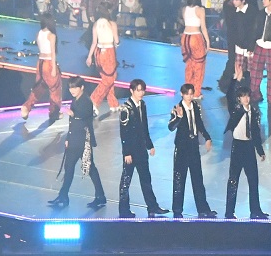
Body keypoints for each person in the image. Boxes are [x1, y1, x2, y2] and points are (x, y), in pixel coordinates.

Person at [49, 77, 107, 209]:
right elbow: (73, 123)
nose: (72, 90)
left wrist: (73, 114)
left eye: (75, 87)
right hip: (74, 140)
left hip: (83, 141)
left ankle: (100, 196)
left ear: (82, 88)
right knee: (69, 168)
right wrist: (68, 138)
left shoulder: (86, 101)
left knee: (90, 168)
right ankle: (63, 195)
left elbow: (85, 117)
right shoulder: (75, 100)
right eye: (70, 88)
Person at [118, 79, 166, 217]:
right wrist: (126, 152)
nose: (141, 93)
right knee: (126, 181)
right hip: (131, 152)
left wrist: (149, 145)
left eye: (142, 90)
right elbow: (124, 133)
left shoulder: (142, 105)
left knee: (146, 179)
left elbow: (144, 127)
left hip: (141, 150)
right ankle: (124, 210)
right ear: (131, 91)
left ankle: (152, 207)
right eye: (138, 90)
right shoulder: (126, 109)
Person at [167, 83, 216, 218]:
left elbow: (199, 123)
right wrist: (179, 117)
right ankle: (177, 210)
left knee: (198, 179)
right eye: (187, 94)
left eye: (191, 94)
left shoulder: (195, 106)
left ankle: (203, 209)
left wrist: (207, 137)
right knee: (179, 180)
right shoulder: (177, 108)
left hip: (193, 147)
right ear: (182, 94)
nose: (189, 96)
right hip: (182, 148)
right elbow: (170, 127)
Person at [224, 84, 268, 219]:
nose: (246, 99)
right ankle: (229, 212)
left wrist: (260, 150)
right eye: (243, 96)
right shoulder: (236, 110)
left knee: (253, 180)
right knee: (233, 180)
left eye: (247, 96)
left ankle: (255, 211)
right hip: (238, 147)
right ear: (239, 98)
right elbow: (229, 96)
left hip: (249, 147)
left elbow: (255, 132)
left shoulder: (253, 112)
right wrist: (235, 80)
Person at [22, 15, 62, 123]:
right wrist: (54, 68)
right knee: (55, 88)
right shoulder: (51, 35)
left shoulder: (39, 33)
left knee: (40, 87)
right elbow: (53, 53)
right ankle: (54, 113)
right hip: (48, 63)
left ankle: (26, 107)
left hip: (40, 63)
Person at [85, 1, 121, 111]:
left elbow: (94, 42)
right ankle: (94, 100)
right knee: (108, 80)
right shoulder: (112, 24)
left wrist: (89, 56)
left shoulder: (96, 24)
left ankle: (113, 104)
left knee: (109, 77)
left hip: (98, 52)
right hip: (109, 52)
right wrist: (117, 44)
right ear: (108, 11)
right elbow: (117, 41)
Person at [218, 0, 254, 97]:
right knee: (238, 67)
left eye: (236, 0)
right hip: (237, 44)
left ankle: (249, 90)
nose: (234, 1)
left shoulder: (252, 11)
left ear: (243, 1)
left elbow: (253, 29)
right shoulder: (232, 11)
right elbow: (232, 29)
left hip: (249, 44)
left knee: (250, 69)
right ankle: (235, 89)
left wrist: (251, 44)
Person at [180, 0, 210, 92]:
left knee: (189, 64)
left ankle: (187, 90)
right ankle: (196, 92)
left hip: (185, 37)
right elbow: (203, 27)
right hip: (195, 37)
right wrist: (207, 41)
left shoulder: (184, 9)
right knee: (199, 65)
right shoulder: (200, 10)